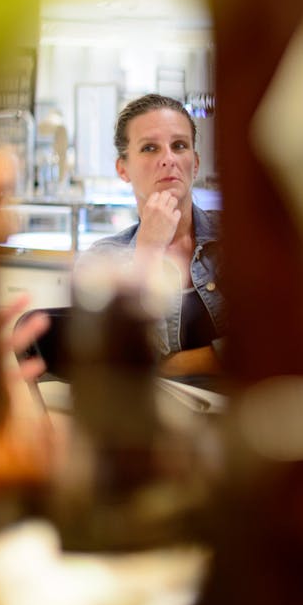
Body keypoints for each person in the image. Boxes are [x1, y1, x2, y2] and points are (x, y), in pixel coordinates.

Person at [83, 93, 226, 389]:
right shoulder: (103, 259)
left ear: (195, 163)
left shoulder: (232, 237)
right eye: (150, 148)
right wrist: (148, 250)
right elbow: (114, 369)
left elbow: (269, 339)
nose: (169, 159)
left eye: (180, 146)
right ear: (123, 169)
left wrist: (166, 367)